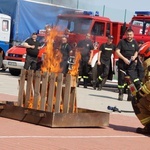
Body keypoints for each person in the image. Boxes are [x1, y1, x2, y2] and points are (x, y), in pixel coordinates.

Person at [116, 28, 141, 101]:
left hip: (131, 64)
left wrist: (134, 56)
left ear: (133, 35)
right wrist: (124, 59)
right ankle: (120, 94)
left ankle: (131, 95)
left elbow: (137, 51)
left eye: (130, 35)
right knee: (121, 80)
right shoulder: (122, 42)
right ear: (126, 35)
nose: (129, 36)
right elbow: (117, 51)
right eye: (128, 35)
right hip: (122, 64)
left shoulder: (135, 43)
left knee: (131, 80)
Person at [132, 41, 150, 135]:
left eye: (142, 56)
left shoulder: (149, 63)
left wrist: (141, 92)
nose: (141, 59)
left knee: (136, 100)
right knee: (136, 98)